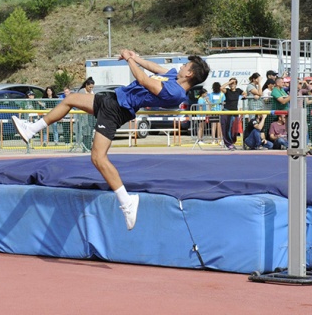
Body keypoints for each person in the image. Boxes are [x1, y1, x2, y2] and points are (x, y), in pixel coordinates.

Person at [11, 50, 209, 230]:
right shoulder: (174, 76)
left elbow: (141, 79)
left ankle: (126, 203)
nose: (181, 66)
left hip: (118, 109)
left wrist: (130, 60)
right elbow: (154, 68)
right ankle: (31, 130)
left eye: (185, 65)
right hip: (113, 100)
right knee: (70, 99)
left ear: (190, 74)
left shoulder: (175, 92)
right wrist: (136, 56)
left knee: (98, 158)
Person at [220, 78, 246, 151]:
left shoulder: (238, 90)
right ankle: (228, 144)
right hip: (227, 111)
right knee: (227, 128)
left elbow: (244, 93)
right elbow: (221, 88)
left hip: (234, 112)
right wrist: (229, 82)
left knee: (234, 130)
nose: (232, 85)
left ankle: (232, 142)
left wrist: (244, 96)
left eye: (233, 83)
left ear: (236, 84)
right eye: (231, 83)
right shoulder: (227, 91)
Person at [78, 78, 95, 151]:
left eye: (92, 87)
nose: (91, 89)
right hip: (84, 115)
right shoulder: (82, 91)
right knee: (85, 130)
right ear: (86, 85)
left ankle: (89, 145)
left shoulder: (92, 92)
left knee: (90, 130)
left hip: (90, 115)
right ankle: (85, 147)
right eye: (90, 87)